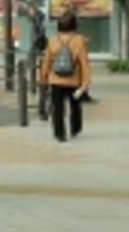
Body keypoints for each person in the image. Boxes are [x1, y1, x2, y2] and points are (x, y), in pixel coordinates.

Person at [39, 11, 91, 142]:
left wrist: (43, 77)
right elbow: (84, 62)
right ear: (74, 25)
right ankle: (75, 128)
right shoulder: (79, 40)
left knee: (57, 107)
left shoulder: (52, 40)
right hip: (73, 80)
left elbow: (46, 61)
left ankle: (59, 133)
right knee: (75, 105)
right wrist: (86, 81)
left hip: (55, 79)